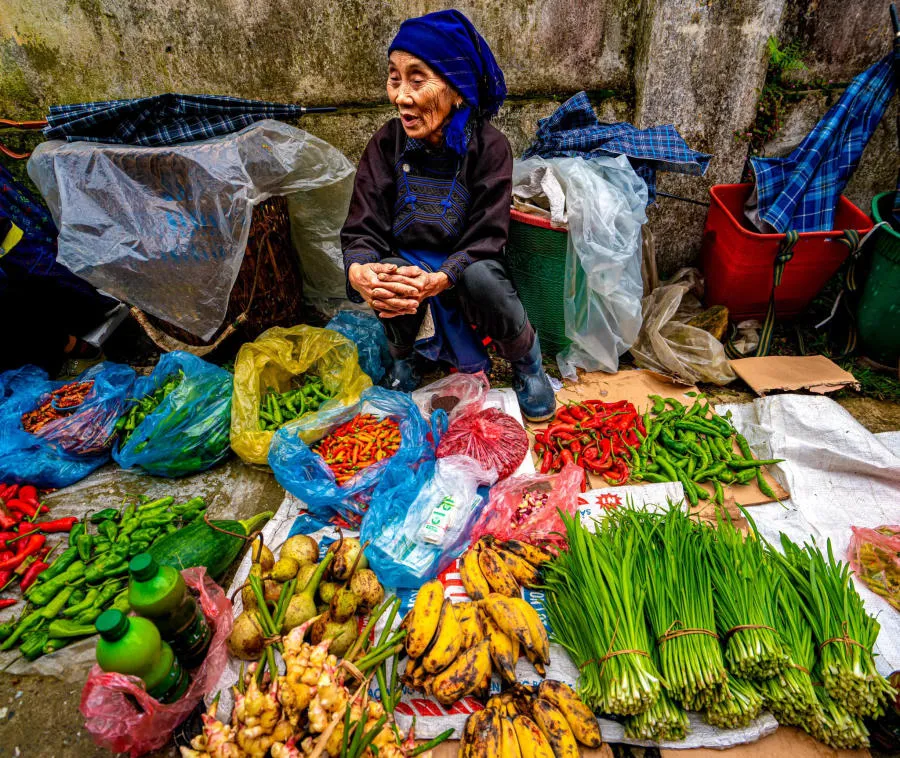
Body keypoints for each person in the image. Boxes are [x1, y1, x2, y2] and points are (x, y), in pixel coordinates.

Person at [340, 9, 555, 421]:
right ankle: (405, 359)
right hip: (408, 264)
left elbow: (488, 236)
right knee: (389, 276)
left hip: (464, 265)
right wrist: (359, 270)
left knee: (483, 277)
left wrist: (441, 277)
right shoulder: (386, 144)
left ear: (458, 90)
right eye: (395, 77)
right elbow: (362, 226)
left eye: (417, 80)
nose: (401, 96)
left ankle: (528, 363)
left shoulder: (490, 147)